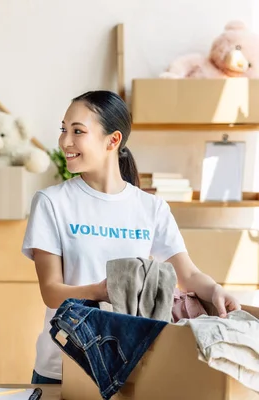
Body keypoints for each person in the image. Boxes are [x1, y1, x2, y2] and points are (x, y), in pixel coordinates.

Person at [21, 90, 241, 385]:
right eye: (64, 129)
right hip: (62, 367)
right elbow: (51, 291)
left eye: (77, 131)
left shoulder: (150, 207)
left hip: (127, 368)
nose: (64, 141)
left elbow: (186, 274)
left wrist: (215, 291)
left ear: (112, 141)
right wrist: (102, 290)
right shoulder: (51, 202)